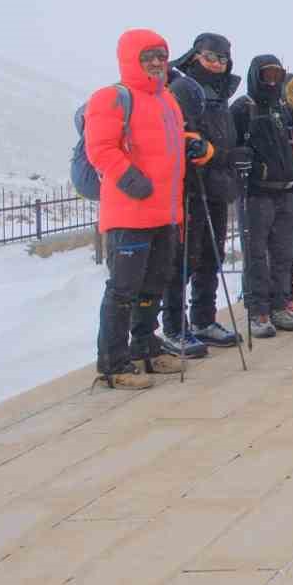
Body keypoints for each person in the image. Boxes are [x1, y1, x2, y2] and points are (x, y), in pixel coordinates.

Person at [86, 30, 191, 388]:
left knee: (153, 286)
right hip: (130, 213)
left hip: (165, 212)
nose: (158, 62)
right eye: (149, 56)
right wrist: (131, 179)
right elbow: (100, 148)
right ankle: (113, 364)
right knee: (122, 290)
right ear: (131, 58)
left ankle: (145, 347)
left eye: (162, 55)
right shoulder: (113, 97)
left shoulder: (168, 101)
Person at [162, 32, 241, 354]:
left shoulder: (220, 93)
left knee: (212, 256)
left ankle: (203, 319)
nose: (217, 64)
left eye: (222, 59)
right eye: (211, 57)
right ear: (196, 56)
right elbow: (177, 130)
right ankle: (173, 326)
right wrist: (194, 145)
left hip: (217, 183)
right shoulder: (183, 87)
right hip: (190, 185)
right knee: (184, 260)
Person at [232, 54, 293, 336]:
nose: (273, 80)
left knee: (283, 254)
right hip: (256, 193)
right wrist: (240, 158)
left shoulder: (282, 107)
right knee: (256, 255)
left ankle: (280, 304)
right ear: (256, 75)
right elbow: (231, 145)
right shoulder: (244, 108)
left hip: (286, 189)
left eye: (278, 74)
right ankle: (258, 311)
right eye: (268, 74)